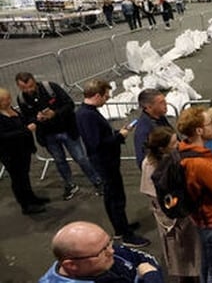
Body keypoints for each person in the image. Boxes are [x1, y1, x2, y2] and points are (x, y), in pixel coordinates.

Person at [75, 79, 150, 248]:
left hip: (105, 161)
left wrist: (115, 133)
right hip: (104, 162)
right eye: (106, 96)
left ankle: (121, 227)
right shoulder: (87, 115)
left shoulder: (86, 112)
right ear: (97, 95)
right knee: (115, 198)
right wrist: (119, 136)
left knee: (114, 196)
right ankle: (125, 235)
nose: (107, 99)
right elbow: (96, 143)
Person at [15, 72, 103, 200]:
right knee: (59, 161)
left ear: (35, 81)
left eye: (31, 86)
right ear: (19, 87)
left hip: (67, 130)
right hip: (48, 136)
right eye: (24, 88)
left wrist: (54, 113)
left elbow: (69, 104)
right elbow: (26, 117)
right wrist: (36, 118)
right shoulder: (22, 99)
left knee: (81, 158)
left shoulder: (51, 88)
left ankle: (97, 181)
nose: (29, 90)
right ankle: (69, 184)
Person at [175, 107, 212, 283]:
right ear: (199, 130)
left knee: (207, 265)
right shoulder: (200, 164)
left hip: (200, 219)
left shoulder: (183, 151)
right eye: (209, 123)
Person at [139, 127, 201, 282]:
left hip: (184, 213)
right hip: (170, 218)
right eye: (174, 142)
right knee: (178, 253)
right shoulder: (150, 165)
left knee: (192, 250)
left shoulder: (175, 157)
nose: (179, 144)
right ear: (162, 148)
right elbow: (154, 195)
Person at [39, 221, 163, 283]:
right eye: (103, 251)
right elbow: (147, 266)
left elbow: (142, 258)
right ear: (71, 265)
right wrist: (151, 276)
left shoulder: (97, 252)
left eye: (109, 243)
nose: (112, 251)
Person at [0, 86, 50, 215]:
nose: (9, 101)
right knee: (18, 180)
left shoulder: (10, 109)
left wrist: (35, 119)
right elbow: (4, 136)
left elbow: (24, 121)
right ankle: (26, 205)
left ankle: (32, 198)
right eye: (5, 100)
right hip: (11, 154)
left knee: (24, 176)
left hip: (23, 150)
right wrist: (26, 130)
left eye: (9, 98)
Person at [133, 88, 171, 169]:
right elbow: (143, 162)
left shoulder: (161, 118)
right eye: (161, 103)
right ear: (149, 107)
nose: (166, 104)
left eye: (165, 101)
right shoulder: (143, 131)